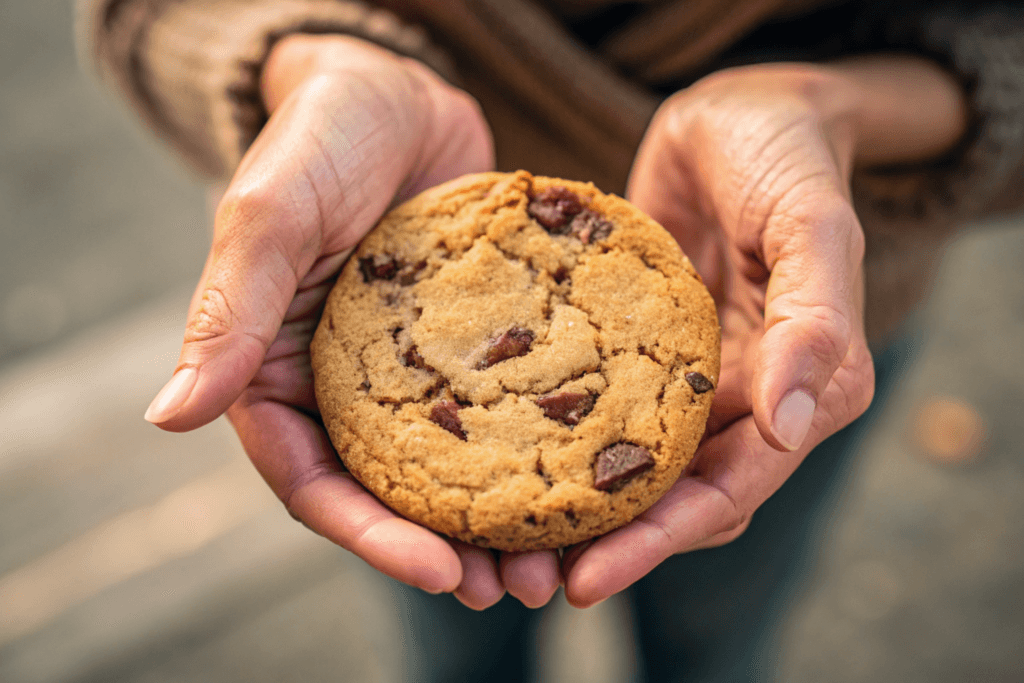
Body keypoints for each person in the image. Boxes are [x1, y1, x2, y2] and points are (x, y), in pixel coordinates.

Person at [78, 0, 1023, 679]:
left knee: (714, 640)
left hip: (784, 329)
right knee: (452, 635)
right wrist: (311, 65)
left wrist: (836, 108)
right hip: (364, 238)